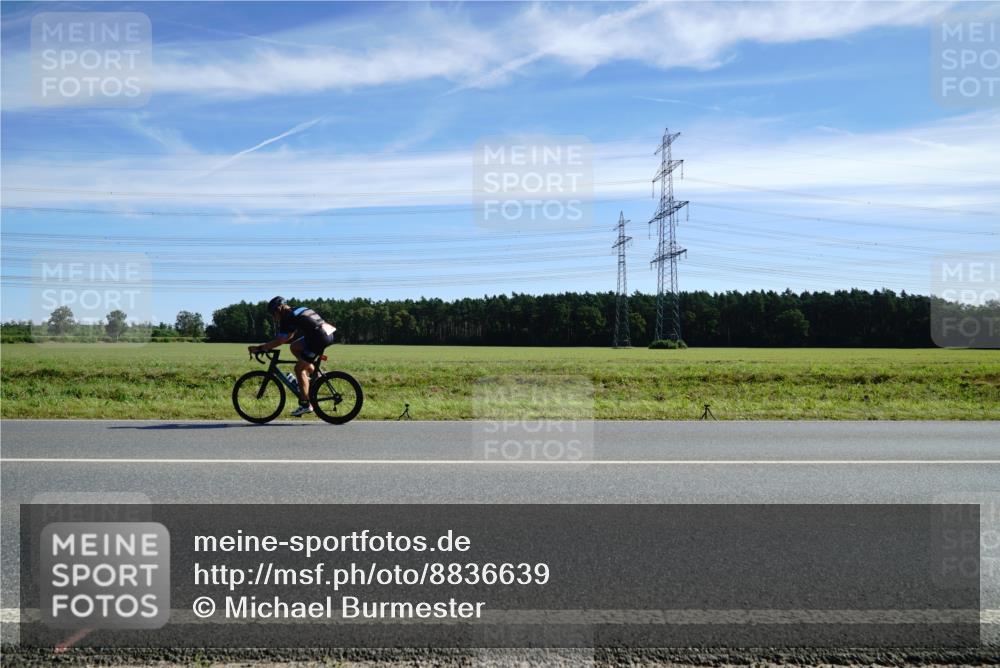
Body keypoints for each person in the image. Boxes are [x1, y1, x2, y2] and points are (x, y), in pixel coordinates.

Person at [248, 296, 337, 417]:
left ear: (279, 309)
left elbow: (281, 340)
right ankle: (314, 374)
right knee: (295, 347)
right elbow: (289, 336)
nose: (273, 317)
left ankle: (305, 404)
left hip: (319, 338)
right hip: (325, 333)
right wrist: (268, 345)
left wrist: (260, 348)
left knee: (298, 369)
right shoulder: (296, 310)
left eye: (273, 314)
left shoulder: (287, 317)